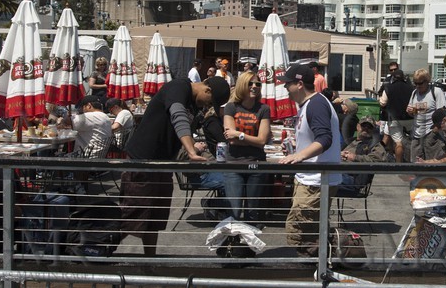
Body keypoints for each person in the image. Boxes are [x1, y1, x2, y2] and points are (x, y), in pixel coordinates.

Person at [119, 77, 216, 257]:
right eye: (209, 101)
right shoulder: (179, 86)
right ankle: (100, 250)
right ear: (207, 89)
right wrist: (191, 151)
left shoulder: (193, 103)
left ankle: (150, 258)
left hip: (163, 164)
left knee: (155, 217)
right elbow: (177, 114)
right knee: (133, 214)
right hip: (143, 162)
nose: (207, 106)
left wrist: (191, 148)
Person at [276, 63, 341, 253]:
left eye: (287, 84)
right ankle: (313, 271)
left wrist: (299, 155)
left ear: (299, 84)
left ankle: (312, 274)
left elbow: (325, 139)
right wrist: (298, 149)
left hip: (316, 180)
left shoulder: (316, 104)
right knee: (305, 232)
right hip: (311, 178)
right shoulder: (310, 104)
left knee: (302, 234)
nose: (285, 88)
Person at [218, 70, 271, 223]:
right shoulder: (231, 107)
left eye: (258, 84)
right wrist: (249, 139)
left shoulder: (263, 109)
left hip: (257, 164)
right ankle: (233, 245)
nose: (255, 86)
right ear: (242, 85)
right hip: (234, 165)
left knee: (252, 212)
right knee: (233, 211)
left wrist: (240, 135)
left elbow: (262, 141)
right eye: (250, 83)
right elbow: (230, 139)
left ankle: (248, 246)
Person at [403, 69, 446, 162]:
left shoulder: (436, 92)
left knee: (432, 162)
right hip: (416, 133)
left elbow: (443, 112)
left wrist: (435, 130)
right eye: (415, 83)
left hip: (431, 133)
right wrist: (410, 111)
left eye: (420, 83)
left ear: (427, 81)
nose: (417, 86)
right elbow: (411, 112)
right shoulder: (414, 93)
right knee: (415, 162)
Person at [378, 67, 413, 161]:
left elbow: (383, 103)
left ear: (393, 78)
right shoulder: (411, 88)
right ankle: (413, 161)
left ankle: (398, 164)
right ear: (404, 77)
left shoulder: (388, 88)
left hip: (394, 119)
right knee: (414, 141)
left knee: (398, 143)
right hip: (410, 118)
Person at [71, 91, 114, 159]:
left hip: (85, 157)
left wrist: (60, 120)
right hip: (98, 156)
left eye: (82, 107)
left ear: (89, 106)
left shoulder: (89, 116)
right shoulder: (105, 117)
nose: (82, 110)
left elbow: (68, 122)